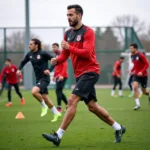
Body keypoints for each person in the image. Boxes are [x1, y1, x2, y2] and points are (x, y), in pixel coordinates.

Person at [42, 4, 126, 146]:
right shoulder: (68, 33)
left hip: (91, 71)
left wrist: (70, 47)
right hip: (80, 75)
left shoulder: (88, 32)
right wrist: (57, 60)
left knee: (71, 100)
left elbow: (87, 53)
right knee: (92, 107)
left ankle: (58, 135)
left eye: (71, 15)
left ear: (79, 15)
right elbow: (65, 54)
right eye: (67, 15)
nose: (68, 17)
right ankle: (118, 128)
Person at [17, 38, 61, 122]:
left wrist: (49, 70)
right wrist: (19, 69)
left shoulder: (43, 53)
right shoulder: (29, 54)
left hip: (45, 78)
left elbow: (55, 61)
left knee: (34, 92)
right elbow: (23, 62)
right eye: (29, 44)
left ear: (36, 45)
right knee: (45, 98)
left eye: (31, 44)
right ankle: (56, 113)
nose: (29, 45)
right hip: (38, 79)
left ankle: (43, 106)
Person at [130, 43, 150, 110]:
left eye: (132, 48)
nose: (130, 49)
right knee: (135, 87)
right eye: (130, 48)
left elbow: (147, 64)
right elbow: (135, 65)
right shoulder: (132, 56)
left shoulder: (141, 55)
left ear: (136, 48)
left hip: (144, 75)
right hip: (136, 75)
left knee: (144, 92)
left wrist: (142, 71)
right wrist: (131, 70)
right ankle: (137, 104)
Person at [51, 43, 68, 112]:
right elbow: (57, 66)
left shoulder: (61, 54)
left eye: (54, 47)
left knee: (58, 90)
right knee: (59, 91)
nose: (53, 48)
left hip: (62, 76)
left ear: (58, 47)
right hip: (58, 76)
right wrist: (55, 75)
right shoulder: (56, 55)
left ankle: (59, 107)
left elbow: (65, 65)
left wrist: (62, 75)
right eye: (52, 47)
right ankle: (68, 105)